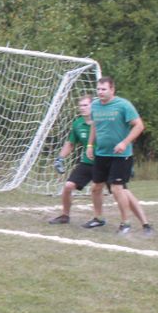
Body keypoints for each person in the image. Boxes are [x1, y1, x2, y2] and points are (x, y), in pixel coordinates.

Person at [84, 76, 152, 235]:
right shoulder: (95, 106)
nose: (100, 92)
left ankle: (125, 223)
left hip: (121, 156)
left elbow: (139, 126)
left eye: (104, 89)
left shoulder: (123, 105)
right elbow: (94, 126)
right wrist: (90, 145)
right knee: (95, 187)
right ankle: (98, 218)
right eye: (98, 89)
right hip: (102, 154)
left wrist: (124, 143)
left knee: (117, 189)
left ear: (112, 90)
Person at [48, 96, 95, 224]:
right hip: (87, 162)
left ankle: (130, 221)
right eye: (80, 106)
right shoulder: (78, 124)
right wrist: (60, 158)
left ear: (93, 106)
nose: (82, 108)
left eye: (85, 105)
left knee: (119, 190)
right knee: (68, 186)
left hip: (104, 162)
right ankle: (65, 216)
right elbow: (70, 144)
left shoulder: (101, 122)